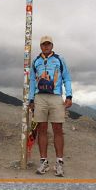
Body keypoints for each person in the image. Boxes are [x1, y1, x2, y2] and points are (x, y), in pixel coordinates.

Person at [28, 35, 72, 177]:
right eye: (43, 44)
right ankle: (44, 162)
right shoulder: (36, 61)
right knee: (42, 129)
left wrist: (69, 95)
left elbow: (66, 77)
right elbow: (32, 82)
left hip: (56, 97)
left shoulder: (59, 59)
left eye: (48, 44)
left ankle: (59, 163)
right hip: (40, 97)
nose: (46, 46)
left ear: (52, 45)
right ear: (40, 46)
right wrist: (31, 99)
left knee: (58, 129)